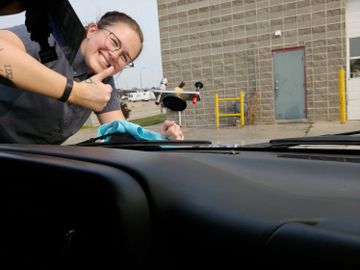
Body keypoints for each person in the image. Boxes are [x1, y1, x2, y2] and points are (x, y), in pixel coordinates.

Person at [0, 9, 184, 144]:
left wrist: (160, 139)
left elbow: (120, 133)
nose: (114, 55)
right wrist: (76, 92)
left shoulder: (104, 84)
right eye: (114, 42)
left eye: (124, 57)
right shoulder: (48, 39)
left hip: (29, 163)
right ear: (92, 30)